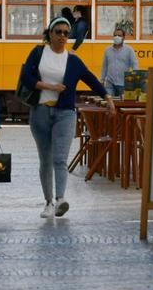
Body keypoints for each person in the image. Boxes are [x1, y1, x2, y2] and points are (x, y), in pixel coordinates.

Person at [19, 17, 108, 219]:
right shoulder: (38, 53)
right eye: (58, 32)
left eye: (66, 33)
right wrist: (50, 87)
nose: (62, 36)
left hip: (65, 113)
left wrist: (106, 96)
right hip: (40, 111)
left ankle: (60, 199)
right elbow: (26, 77)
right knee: (45, 159)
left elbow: (90, 79)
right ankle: (48, 202)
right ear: (50, 33)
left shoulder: (73, 60)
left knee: (59, 159)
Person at [100, 26, 139, 99]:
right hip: (110, 83)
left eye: (119, 35)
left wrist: (135, 79)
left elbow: (134, 64)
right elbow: (104, 66)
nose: (116, 37)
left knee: (122, 104)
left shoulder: (129, 50)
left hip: (124, 83)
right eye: (115, 35)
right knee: (110, 103)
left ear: (123, 37)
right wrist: (102, 80)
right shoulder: (107, 50)